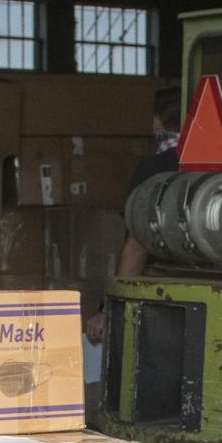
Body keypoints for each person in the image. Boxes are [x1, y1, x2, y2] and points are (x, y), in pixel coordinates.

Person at [83, 86, 181, 350]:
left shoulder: (154, 170)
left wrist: (108, 309)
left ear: (156, 122)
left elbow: (138, 244)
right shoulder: (221, 166)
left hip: (166, 296)